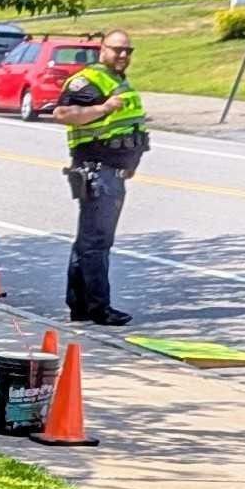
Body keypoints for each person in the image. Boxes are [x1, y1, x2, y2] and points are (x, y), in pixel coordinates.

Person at [56, 32, 147, 329]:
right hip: (97, 170)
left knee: (89, 241)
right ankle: (99, 308)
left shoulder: (119, 81)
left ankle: (80, 306)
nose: (123, 55)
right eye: (117, 50)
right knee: (97, 242)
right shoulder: (87, 81)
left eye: (128, 50)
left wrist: (131, 162)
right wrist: (104, 108)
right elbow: (64, 113)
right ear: (102, 49)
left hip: (114, 172)